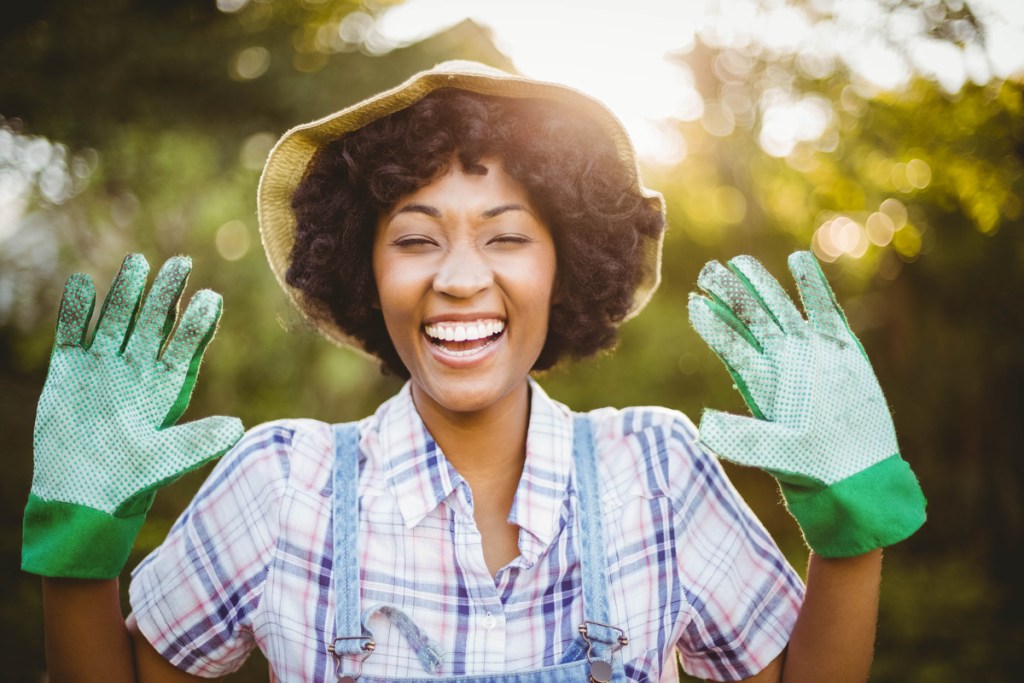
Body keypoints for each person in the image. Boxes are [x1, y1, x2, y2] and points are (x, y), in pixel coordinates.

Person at [22, 61, 926, 682]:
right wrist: (80, 545)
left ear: (564, 263)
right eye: (416, 239)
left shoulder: (655, 470)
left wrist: (851, 534)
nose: (459, 278)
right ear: (365, 273)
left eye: (506, 236)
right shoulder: (280, 483)